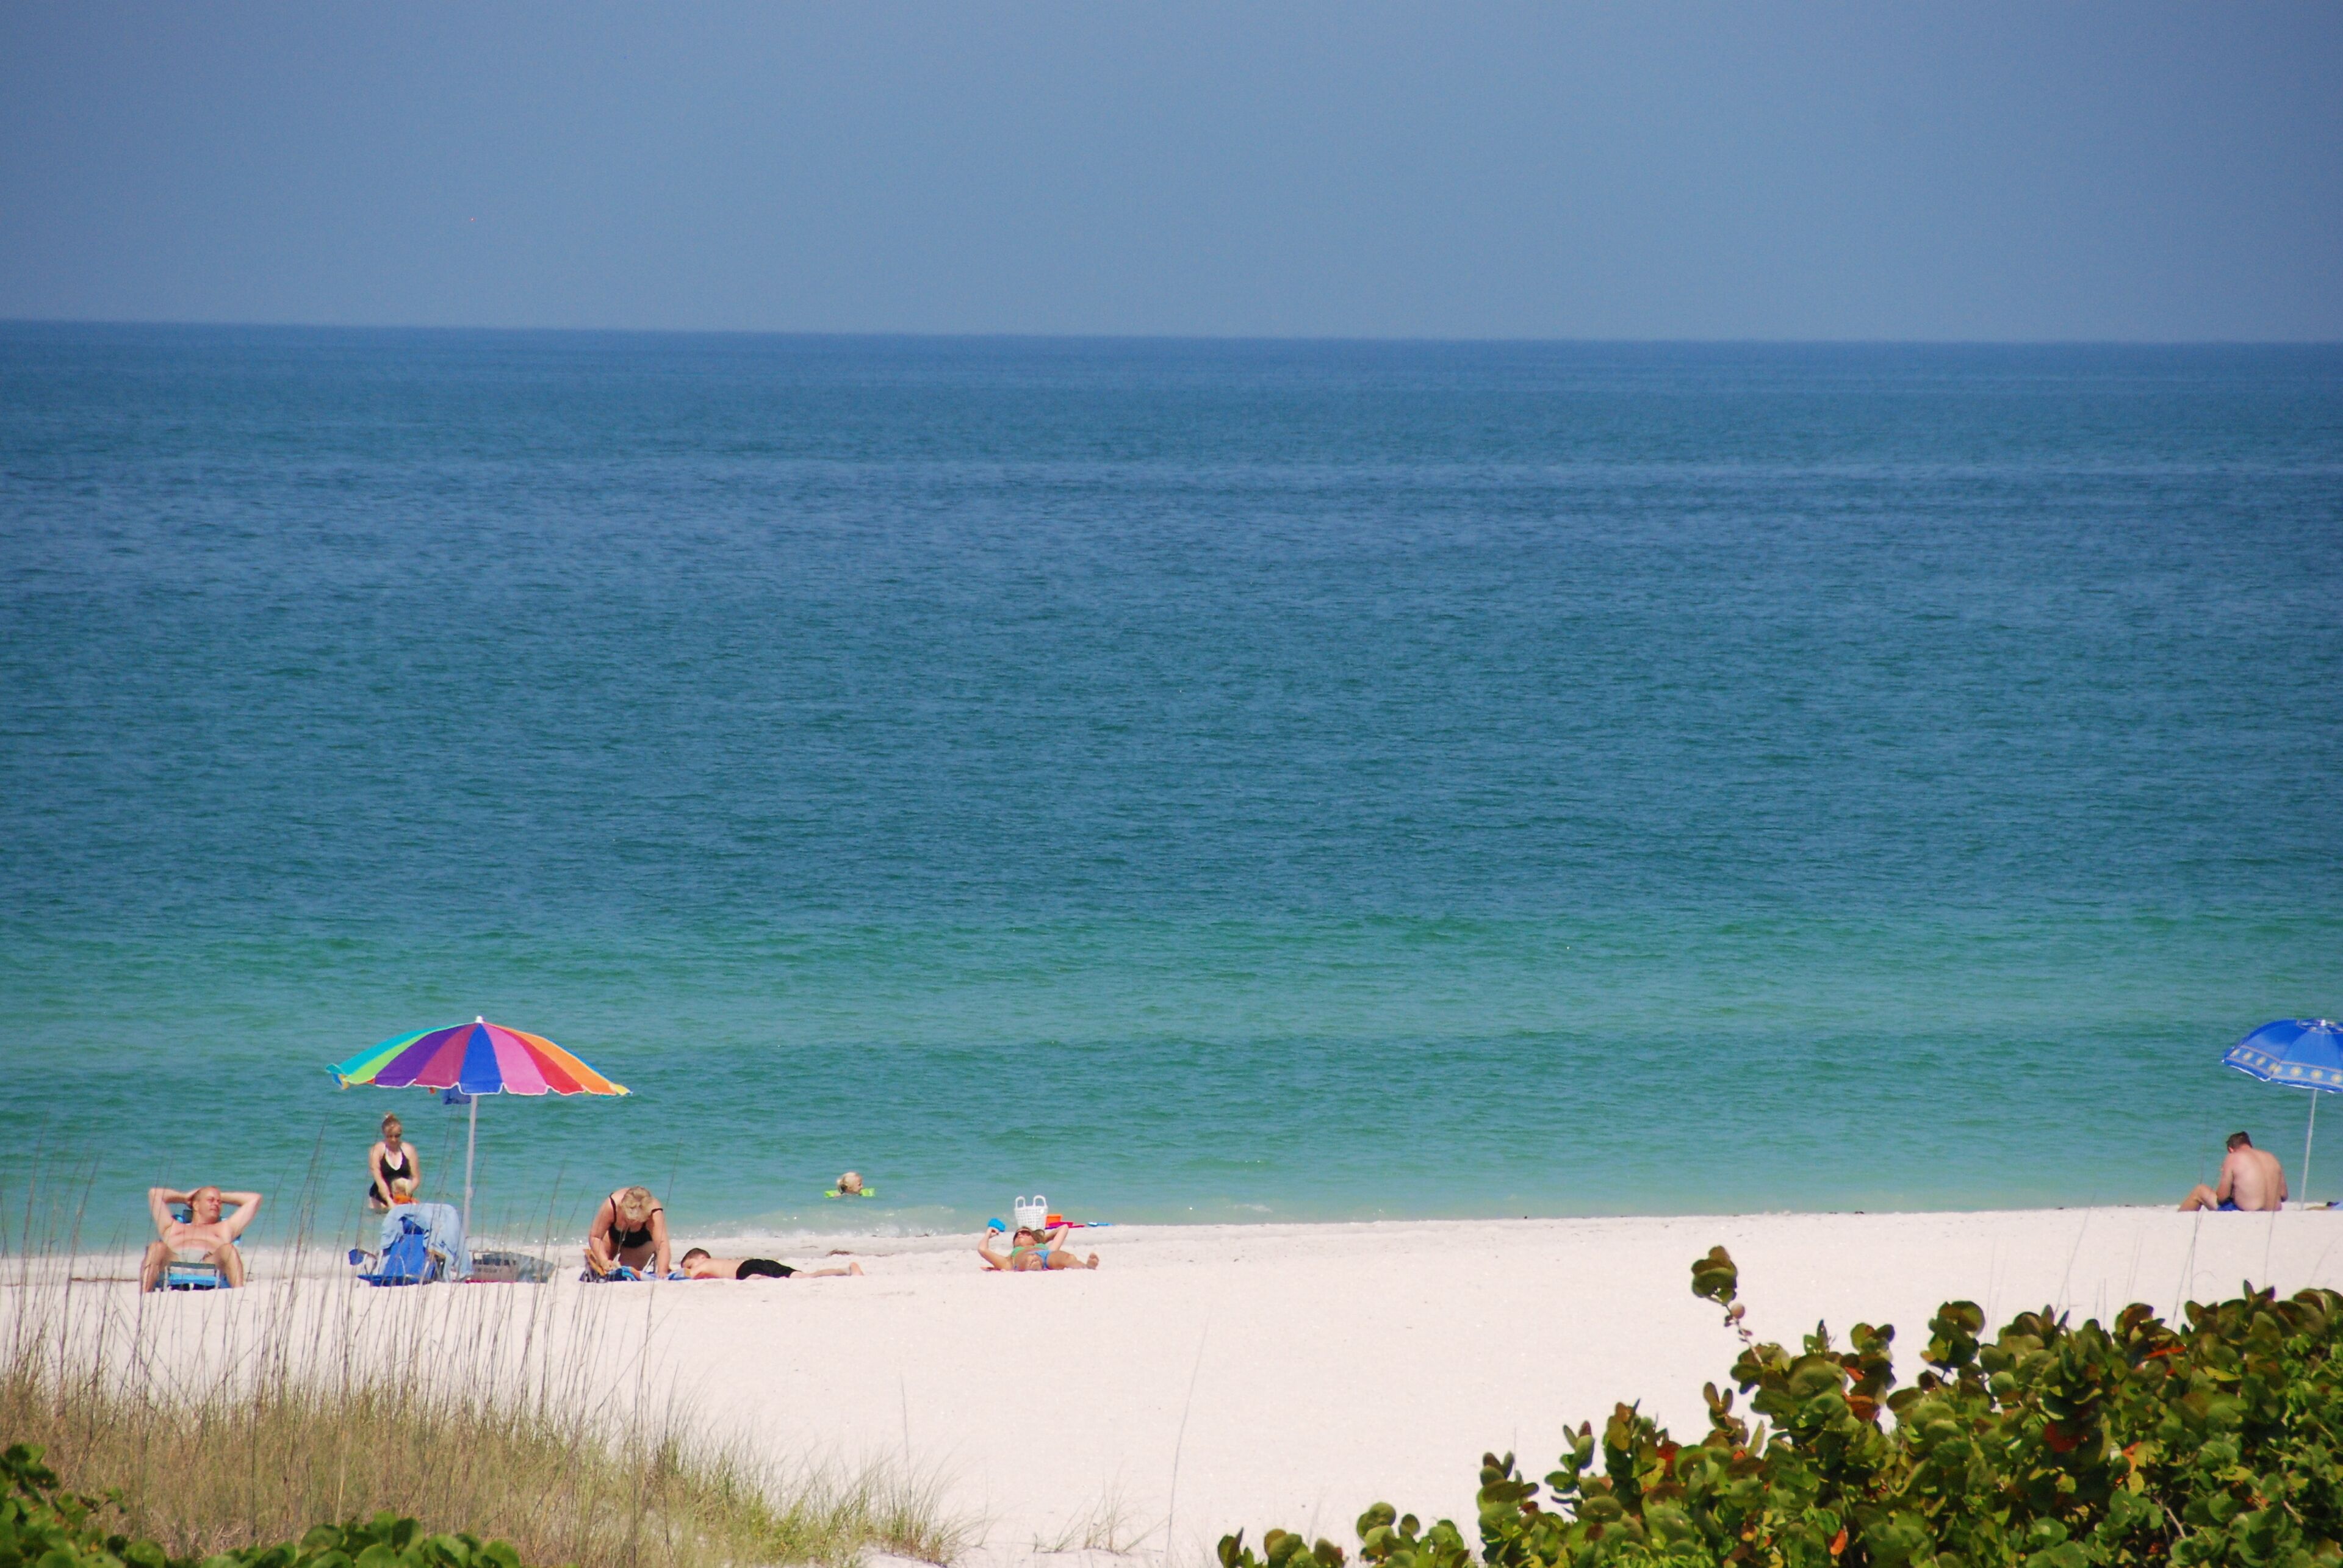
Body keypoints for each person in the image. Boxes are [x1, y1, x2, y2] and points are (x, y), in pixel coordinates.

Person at [142, 1184, 262, 1291]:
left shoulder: (225, 1228)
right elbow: (155, 1194)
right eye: (210, 1200)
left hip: (209, 1264)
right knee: (156, 1247)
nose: (216, 1204)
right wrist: (186, 1197)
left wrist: (219, 1195)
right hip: (173, 1263)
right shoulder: (172, 1226)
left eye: (219, 1202)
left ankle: (238, 1294)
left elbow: (255, 1199)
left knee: (229, 1250)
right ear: (196, 1204)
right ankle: (144, 1294)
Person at [2181, 1131, 2289, 1212]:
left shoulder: (2233, 1157)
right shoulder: (2271, 1157)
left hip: (2247, 1212)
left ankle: (2181, 1218)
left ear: (2230, 1149)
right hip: (2273, 1211)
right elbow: (2284, 1196)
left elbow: (2222, 1197)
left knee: (2200, 1190)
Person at [584, 1185, 672, 1276]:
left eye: (637, 1220)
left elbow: (663, 1245)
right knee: (599, 1266)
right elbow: (595, 1236)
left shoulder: (654, 1211)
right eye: (629, 1218)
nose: (632, 1223)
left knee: (626, 1272)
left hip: (641, 1241)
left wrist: (662, 1271)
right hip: (614, 1235)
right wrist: (604, 1260)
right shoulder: (612, 1205)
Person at [678, 1246, 864, 1280]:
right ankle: (847, 1270)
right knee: (806, 1276)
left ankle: (848, 1271)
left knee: (756, 1279)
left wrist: (667, 1275)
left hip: (746, 1269)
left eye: (690, 1264)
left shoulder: (705, 1263)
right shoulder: (719, 1263)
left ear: (701, 1257)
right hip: (758, 1263)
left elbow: (690, 1275)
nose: (691, 1268)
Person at [978, 1223, 1098, 1271]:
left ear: (1034, 1239)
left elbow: (1064, 1228)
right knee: (1031, 1259)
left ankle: (1086, 1267)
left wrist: (1041, 1240)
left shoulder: (1044, 1247)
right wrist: (989, 1233)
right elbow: (982, 1249)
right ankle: (1034, 1267)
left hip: (1048, 1254)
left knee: (1068, 1257)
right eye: (1017, 1235)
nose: (1020, 1234)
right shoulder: (1010, 1258)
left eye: (1026, 1233)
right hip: (1025, 1258)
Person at [366, 1113, 420, 1212]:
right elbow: (378, 1178)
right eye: (390, 1136)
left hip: (403, 1199)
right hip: (380, 1200)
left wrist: (406, 1194)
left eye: (397, 1136)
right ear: (384, 1134)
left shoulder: (409, 1150)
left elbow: (416, 1178)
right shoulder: (377, 1150)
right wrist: (389, 1201)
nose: (394, 1140)